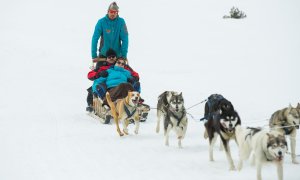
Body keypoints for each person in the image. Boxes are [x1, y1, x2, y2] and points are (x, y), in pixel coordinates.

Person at [91, 1, 128, 69]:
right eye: (111, 12)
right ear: (108, 11)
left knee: (124, 74)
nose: (113, 14)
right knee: (98, 75)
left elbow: (125, 39)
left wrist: (124, 55)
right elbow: (95, 38)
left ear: (117, 12)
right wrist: (94, 55)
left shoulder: (121, 22)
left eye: (115, 12)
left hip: (117, 56)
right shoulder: (101, 22)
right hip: (104, 55)